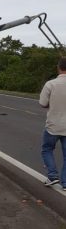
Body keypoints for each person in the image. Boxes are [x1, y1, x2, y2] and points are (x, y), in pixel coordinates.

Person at [39, 56, 66, 190]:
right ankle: (65, 183)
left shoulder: (50, 84)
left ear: (59, 67)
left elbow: (43, 103)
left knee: (47, 149)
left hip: (53, 126)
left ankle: (52, 176)